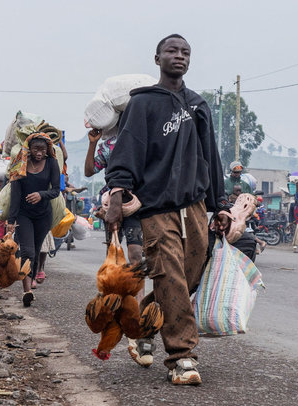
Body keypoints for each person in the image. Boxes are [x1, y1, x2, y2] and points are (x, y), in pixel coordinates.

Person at [104, 34, 230, 385]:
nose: (179, 56)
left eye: (185, 52)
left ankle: (142, 326)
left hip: (195, 206)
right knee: (170, 276)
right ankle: (181, 357)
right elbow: (126, 151)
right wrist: (116, 197)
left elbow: (211, 159)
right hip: (156, 208)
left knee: (185, 279)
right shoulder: (143, 105)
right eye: (172, 51)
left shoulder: (198, 105)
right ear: (157, 58)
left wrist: (219, 205)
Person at [7, 133, 61, 307]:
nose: (39, 153)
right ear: (29, 149)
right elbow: (15, 194)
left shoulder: (52, 163)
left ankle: (29, 283)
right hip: (24, 214)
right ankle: (27, 291)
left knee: (36, 251)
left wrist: (41, 195)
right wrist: (11, 220)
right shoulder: (20, 164)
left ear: (47, 151)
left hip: (43, 215)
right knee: (28, 251)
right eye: (36, 149)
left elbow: (56, 190)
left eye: (43, 150)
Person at [84, 127, 144, 273]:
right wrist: (92, 144)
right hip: (112, 203)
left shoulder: (142, 141)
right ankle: (112, 288)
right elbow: (89, 171)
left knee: (136, 252)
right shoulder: (108, 146)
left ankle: (137, 294)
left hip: (134, 203)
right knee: (112, 250)